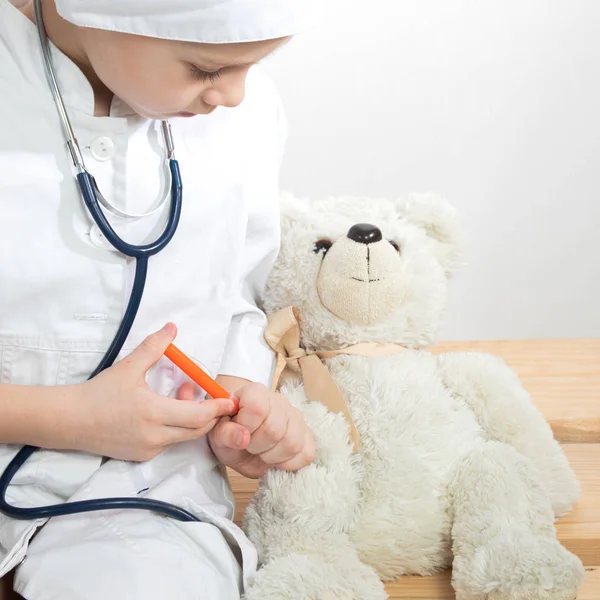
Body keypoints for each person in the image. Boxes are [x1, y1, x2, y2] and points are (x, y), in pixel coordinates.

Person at [0, 0, 316, 597]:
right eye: (203, 69)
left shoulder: (243, 117)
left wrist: (237, 396)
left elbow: (236, 291)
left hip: (137, 484)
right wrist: (67, 419)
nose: (234, 96)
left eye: (253, 65)